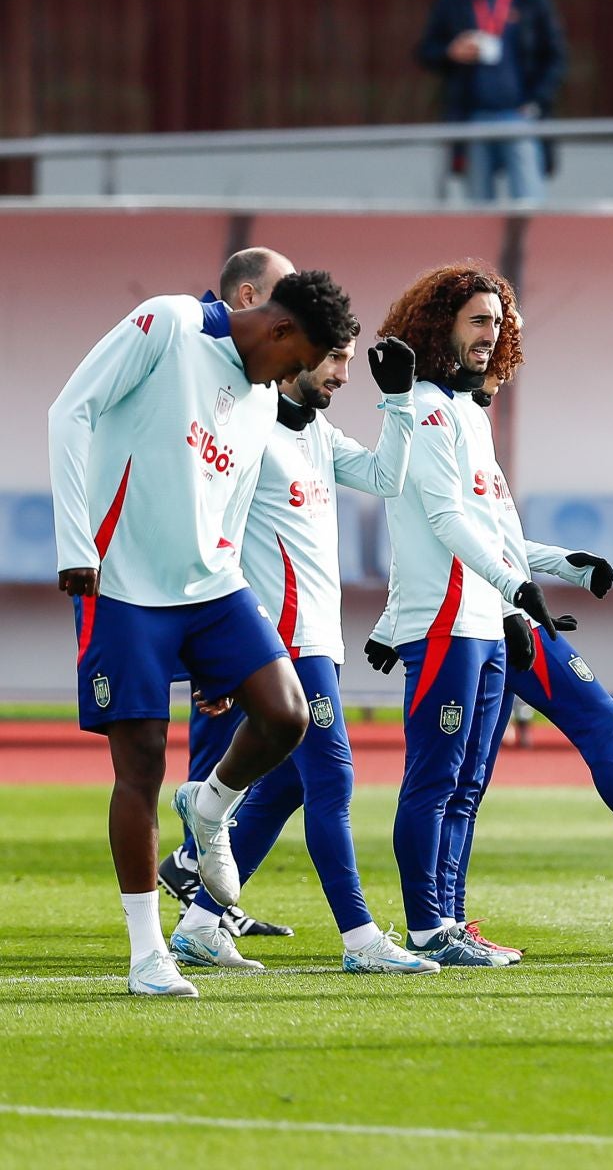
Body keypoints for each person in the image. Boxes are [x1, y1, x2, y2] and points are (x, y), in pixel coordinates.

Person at [365, 373, 613, 963]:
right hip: (481, 620)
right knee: (467, 778)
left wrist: (567, 566)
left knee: (539, 747)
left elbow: (496, 540)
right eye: (490, 344)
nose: (499, 365)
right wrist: (405, 620)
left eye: (504, 346)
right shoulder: (430, 415)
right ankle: (448, 923)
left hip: (501, 613)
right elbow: (429, 534)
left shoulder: (471, 422)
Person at [48, 270, 358, 997]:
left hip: (212, 588)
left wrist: (220, 659)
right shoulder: (170, 323)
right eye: (294, 362)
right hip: (121, 585)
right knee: (142, 765)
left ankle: (210, 804)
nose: (287, 379)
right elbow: (70, 411)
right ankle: (147, 953)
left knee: (286, 714)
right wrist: (74, 544)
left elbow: (233, 508)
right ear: (279, 330)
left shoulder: (260, 399)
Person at [165, 319, 441, 976]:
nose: (344, 374)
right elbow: (213, 537)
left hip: (321, 638)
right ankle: (361, 939)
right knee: (333, 776)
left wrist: (399, 401)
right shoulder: (251, 430)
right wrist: (212, 650)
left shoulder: (318, 432)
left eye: (349, 360)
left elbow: (386, 477)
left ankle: (200, 925)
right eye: (335, 359)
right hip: (283, 641)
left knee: (288, 784)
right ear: (298, 354)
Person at [377, 263, 564, 968]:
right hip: (446, 620)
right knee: (434, 779)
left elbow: (495, 526)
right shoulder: (426, 406)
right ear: (440, 327)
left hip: (484, 620)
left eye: (499, 322)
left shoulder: (470, 412)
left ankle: (451, 922)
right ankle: (426, 928)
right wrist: (517, 586)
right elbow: (445, 518)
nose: (492, 334)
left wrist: (528, 589)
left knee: (467, 784)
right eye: (478, 320)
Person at [156, 248, 300, 940]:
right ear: (248, 297)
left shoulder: (264, 396)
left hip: (228, 597)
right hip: (187, 592)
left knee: (260, 749)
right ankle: (191, 901)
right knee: (186, 752)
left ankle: (200, 885)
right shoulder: (181, 343)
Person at [416, 0, 567, 205]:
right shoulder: (454, 0)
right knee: (478, 203)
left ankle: (527, 238)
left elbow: (555, 57)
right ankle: (481, 239)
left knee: (528, 198)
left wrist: (537, 101)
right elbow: (425, 52)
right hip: (472, 115)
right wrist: (451, 52)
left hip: (521, 115)